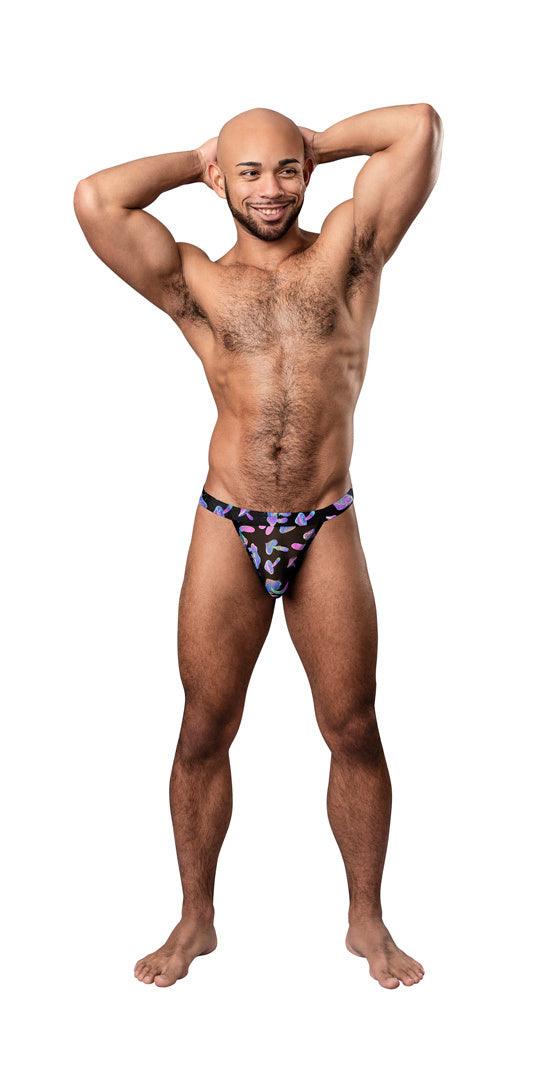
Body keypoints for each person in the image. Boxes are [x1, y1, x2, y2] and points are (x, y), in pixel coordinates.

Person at [73, 103, 443, 989]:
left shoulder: (349, 250)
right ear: (221, 181)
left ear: (307, 173)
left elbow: (419, 128)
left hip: (324, 518)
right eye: (250, 172)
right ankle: (195, 918)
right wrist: (198, 155)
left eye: (286, 170)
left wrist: (311, 142)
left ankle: (366, 919)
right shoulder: (198, 281)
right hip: (229, 518)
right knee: (205, 726)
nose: (272, 189)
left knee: (353, 725)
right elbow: (96, 200)